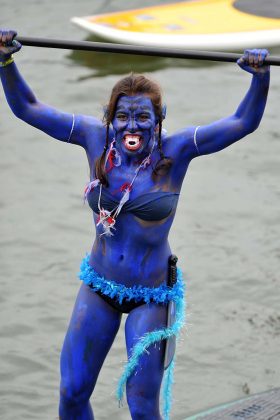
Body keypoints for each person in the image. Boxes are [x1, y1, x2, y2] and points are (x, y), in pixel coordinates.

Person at [0, 29, 270, 420]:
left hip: (151, 296)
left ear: (159, 119)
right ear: (110, 118)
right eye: (123, 116)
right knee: (71, 391)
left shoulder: (177, 151)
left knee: (142, 405)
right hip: (99, 287)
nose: (133, 126)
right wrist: (6, 61)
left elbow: (244, 121)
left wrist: (259, 78)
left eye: (143, 116)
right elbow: (27, 106)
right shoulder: (95, 138)